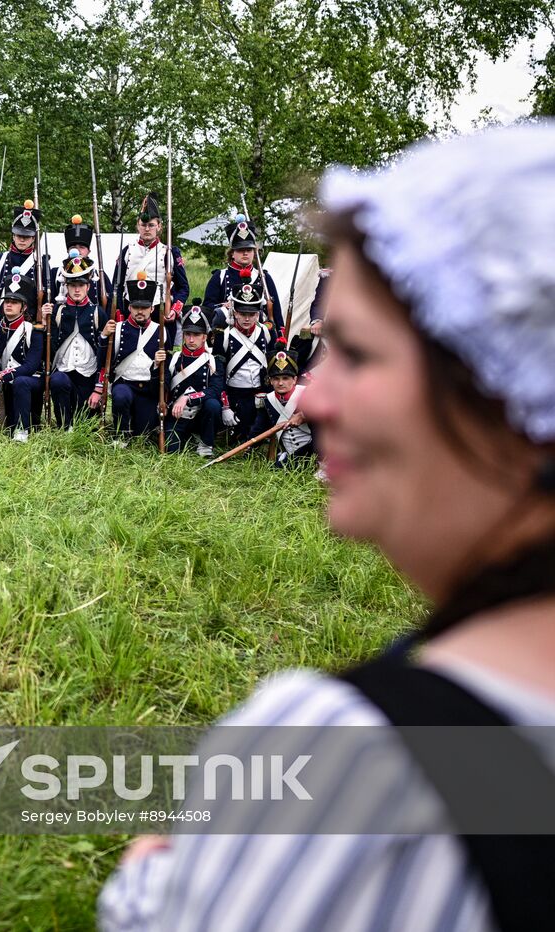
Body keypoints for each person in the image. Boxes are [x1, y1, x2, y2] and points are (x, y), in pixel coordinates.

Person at [98, 122, 555, 932]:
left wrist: (147, 880)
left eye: (357, 352)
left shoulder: (343, 752)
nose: (309, 399)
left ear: (501, 396)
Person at [104, 273, 175, 443]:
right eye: (136, 307)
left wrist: (158, 366)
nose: (140, 311)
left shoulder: (162, 331)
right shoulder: (118, 329)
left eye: (144, 307)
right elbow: (103, 361)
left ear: (152, 308)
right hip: (125, 384)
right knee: (120, 396)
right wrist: (103, 337)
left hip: (149, 389)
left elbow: (168, 370)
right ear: (129, 307)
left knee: (142, 433)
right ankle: (120, 436)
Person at [0, 269, 45, 442]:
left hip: (30, 380)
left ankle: (22, 431)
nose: (8, 305)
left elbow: (30, 366)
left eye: (14, 302)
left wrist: (1, 375)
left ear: (23, 307)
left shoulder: (34, 331)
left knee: (21, 382)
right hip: (6, 380)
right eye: (6, 301)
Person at [44, 247, 106, 429]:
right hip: (64, 371)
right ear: (66, 287)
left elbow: (105, 353)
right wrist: (43, 320)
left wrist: (99, 387)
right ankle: (65, 426)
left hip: (88, 376)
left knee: (87, 425)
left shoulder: (98, 313)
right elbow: (49, 345)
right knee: (57, 381)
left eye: (81, 285)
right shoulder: (57, 311)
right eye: (72, 285)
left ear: (88, 286)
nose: (77, 290)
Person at [111, 193, 188, 323]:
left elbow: (183, 288)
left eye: (151, 225)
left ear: (159, 226)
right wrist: (119, 313)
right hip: (131, 313)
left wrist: (174, 310)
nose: (147, 229)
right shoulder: (127, 251)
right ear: (138, 226)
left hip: (160, 313)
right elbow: (116, 286)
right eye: (143, 225)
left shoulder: (170, 252)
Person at [201, 216, 283, 332]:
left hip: (258, 331)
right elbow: (208, 306)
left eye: (249, 250)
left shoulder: (264, 277)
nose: (245, 253)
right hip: (227, 330)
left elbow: (276, 311)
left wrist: (280, 336)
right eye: (240, 250)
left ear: (254, 253)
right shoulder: (220, 276)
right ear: (232, 254)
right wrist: (223, 306)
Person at [215, 280, 273, 443]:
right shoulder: (224, 335)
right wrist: (225, 406)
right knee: (240, 436)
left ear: (258, 314)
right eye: (242, 313)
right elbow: (218, 373)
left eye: (252, 314)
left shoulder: (266, 332)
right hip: (237, 395)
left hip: (262, 392)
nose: (247, 319)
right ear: (235, 312)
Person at [162, 306, 224, 456]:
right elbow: (162, 386)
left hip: (200, 416)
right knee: (171, 452)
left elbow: (215, 391)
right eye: (188, 334)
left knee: (213, 405)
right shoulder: (173, 359)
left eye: (196, 335)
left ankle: (205, 443)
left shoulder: (214, 361)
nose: (191, 339)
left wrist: (188, 398)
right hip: (177, 416)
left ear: (204, 336)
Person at [0, 200, 54, 322]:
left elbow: (47, 294)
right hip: (1, 321)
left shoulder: (40, 262)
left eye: (26, 236)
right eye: (19, 235)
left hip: (30, 321)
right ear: (13, 236)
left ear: (33, 238)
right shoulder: (0, 259)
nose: (22, 239)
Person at [253, 345, 313, 468]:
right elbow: (258, 428)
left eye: (285, 378)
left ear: (295, 379)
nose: (280, 383)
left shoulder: (310, 393)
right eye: (276, 379)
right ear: (270, 381)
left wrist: (304, 414)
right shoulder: (268, 399)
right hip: (289, 453)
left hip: (314, 450)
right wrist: (248, 447)